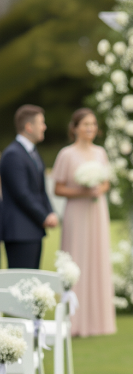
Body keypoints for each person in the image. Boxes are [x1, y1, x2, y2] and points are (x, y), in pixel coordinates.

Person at [52, 108, 116, 337]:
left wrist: (99, 189)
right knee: (76, 258)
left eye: (93, 124)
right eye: (86, 124)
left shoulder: (100, 152)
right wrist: (83, 191)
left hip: (97, 211)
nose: (90, 128)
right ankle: (74, 321)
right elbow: (58, 188)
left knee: (98, 258)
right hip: (76, 213)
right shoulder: (66, 154)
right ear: (75, 128)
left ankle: (99, 321)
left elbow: (106, 182)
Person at [0, 105, 58, 268]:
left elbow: (40, 189)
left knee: (33, 279)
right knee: (21, 280)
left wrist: (50, 211)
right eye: (41, 123)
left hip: (33, 229)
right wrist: (44, 216)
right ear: (28, 127)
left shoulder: (32, 152)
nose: (44, 127)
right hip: (19, 231)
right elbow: (22, 193)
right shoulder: (13, 154)